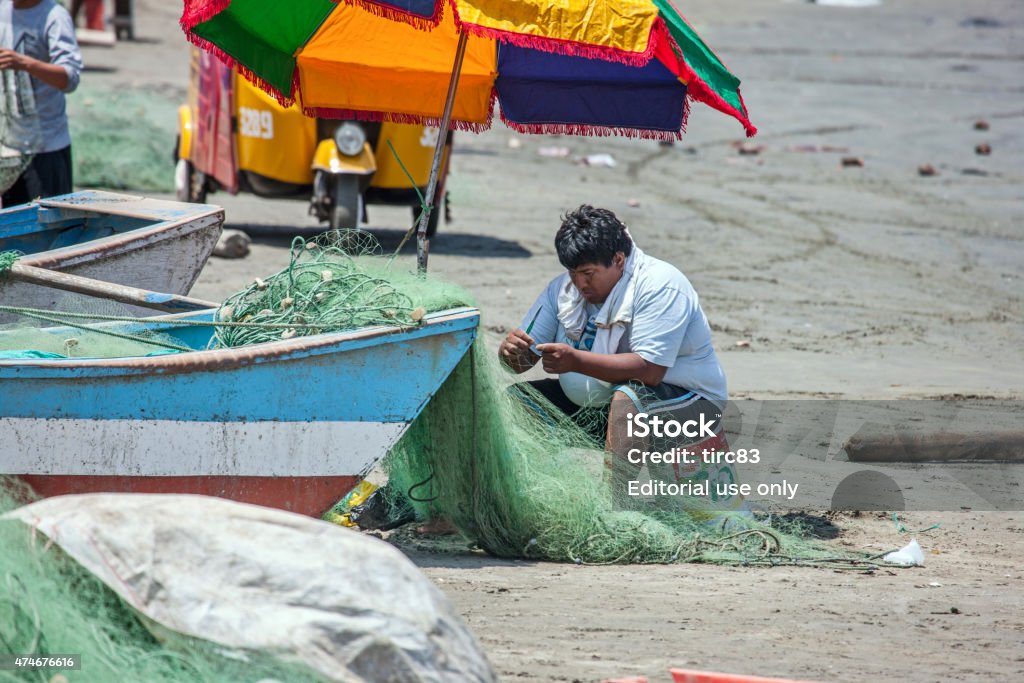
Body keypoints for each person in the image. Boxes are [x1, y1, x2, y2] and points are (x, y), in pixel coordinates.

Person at [499, 205, 732, 502]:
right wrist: (510, 352)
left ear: (619, 260)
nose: (579, 284)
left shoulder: (660, 284)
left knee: (629, 396)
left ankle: (616, 508)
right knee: (520, 403)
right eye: (572, 272)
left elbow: (649, 370)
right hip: (604, 408)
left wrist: (575, 360)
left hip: (690, 408)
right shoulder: (562, 291)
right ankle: (523, 499)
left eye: (588, 273)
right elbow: (519, 363)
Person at [0, 0, 82, 206]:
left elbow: (69, 78)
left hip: (46, 148)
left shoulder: (54, 16)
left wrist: (25, 63)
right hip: (8, 148)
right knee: (11, 229)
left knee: (49, 229)